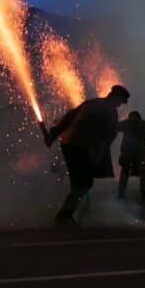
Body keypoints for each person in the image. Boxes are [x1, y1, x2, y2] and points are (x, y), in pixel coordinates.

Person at [44, 85, 130, 224]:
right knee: (84, 183)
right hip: (86, 149)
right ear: (117, 97)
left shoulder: (90, 103)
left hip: (68, 144)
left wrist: (53, 135)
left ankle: (84, 213)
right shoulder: (111, 111)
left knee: (79, 181)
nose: (120, 105)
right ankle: (64, 216)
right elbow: (110, 134)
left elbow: (67, 118)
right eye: (121, 101)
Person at [117, 111, 145, 202]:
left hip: (127, 151)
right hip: (140, 151)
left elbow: (114, 128)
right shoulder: (144, 123)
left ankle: (121, 193)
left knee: (125, 170)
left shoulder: (126, 122)